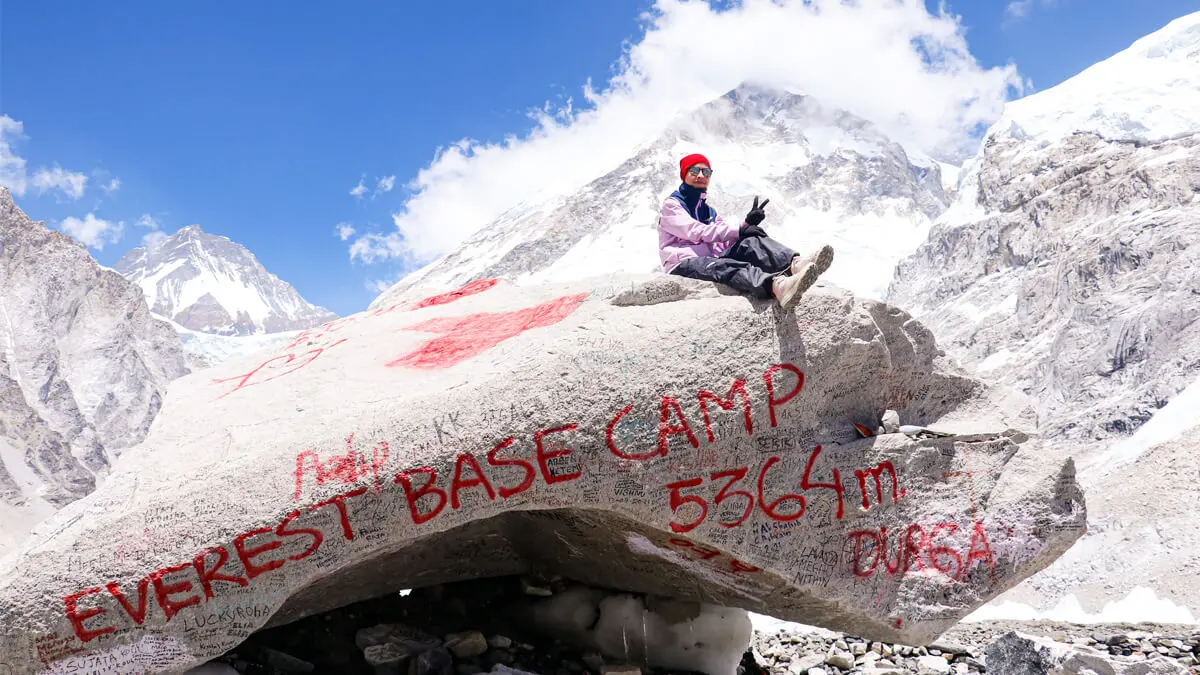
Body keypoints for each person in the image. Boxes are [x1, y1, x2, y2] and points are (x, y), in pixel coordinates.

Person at [658, 153, 834, 311]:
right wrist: (740, 229)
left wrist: (747, 226)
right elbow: (696, 231)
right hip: (683, 263)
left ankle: (796, 265)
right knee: (725, 266)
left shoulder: (708, 210)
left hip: (709, 258)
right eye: (695, 170)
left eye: (706, 172)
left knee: (750, 241)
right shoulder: (673, 205)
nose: (700, 176)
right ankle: (777, 287)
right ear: (684, 174)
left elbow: (725, 239)